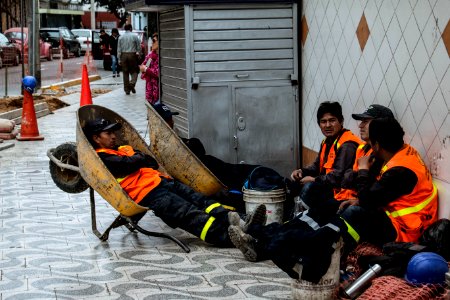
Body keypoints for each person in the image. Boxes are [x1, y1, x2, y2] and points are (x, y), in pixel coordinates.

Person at [228, 118, 438, 282]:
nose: (361, 127)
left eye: (366, 125)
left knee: (347, 215)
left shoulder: (401, 169)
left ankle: (278, 246)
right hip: (387, 216)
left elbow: (366, 198)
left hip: (402, 232)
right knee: (324, 209)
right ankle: (262, 237)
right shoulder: (398, 154)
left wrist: (364, 170)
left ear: (376, 144)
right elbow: (368, 195)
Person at [84, 117, 259, 247]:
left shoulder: (123, 149)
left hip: (163, 182)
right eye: (108, 133)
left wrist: (138, 160)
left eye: (113, 132)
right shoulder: (102, 158)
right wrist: (138, 159)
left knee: (201, 200)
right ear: (96, 138)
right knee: (189, 214)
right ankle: (230, 238)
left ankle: (237, 221)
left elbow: (149, 161)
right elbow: (132, 163)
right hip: (149, 194)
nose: (114, 136)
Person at [290, 101, 362, 204]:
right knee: (293, 183)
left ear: (341, 121)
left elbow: (337, 177)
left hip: (340, 195)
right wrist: (301, 172)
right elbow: (316, 166)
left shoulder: (347, 144)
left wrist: (314, 180)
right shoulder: (327, 141)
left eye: (332, 120)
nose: (327, 125)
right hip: (328, 186)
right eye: (323, 121)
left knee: (309, 187)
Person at [118, 24, 141, 95]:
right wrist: (138, 53)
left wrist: (119, 59)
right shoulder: (134, 36)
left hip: (123, 55)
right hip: (132, 55)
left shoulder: (121, 37)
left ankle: (127, 90)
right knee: (135, 71)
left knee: (125, 73)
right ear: (131, 28)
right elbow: (138, 46)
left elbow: (119, 49)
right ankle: (132, 84)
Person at [139, 33, 159, 105]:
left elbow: (157, 73)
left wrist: (147, 70)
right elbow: (142, 67)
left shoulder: (162, 57)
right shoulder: (150, 56)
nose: (152, 43)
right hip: (150, 89)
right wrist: (145, 69)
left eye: (154, 41)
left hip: (158, 90)